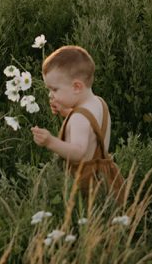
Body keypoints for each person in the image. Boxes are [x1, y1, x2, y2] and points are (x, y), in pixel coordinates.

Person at [31, 45, 124, 200]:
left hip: (84, 184)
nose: (50, 95)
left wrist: (50, 141)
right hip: (102, 176)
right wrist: (66, 112)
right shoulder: (98, 103)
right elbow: (90, 125)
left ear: (76, 87)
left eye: (54, 90)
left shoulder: (79, 118)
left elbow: (78, 153)